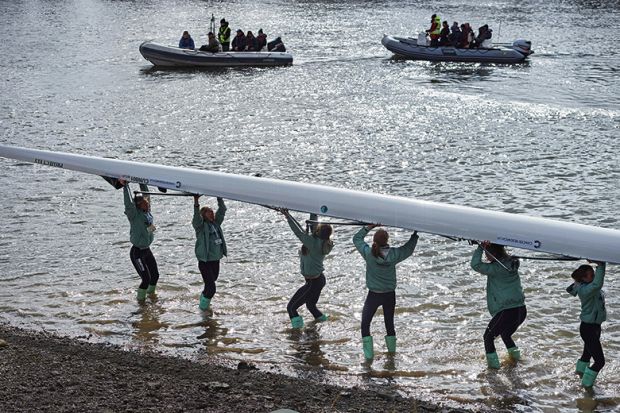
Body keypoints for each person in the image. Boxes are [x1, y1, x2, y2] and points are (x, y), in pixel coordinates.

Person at [353, 225, 418, 359]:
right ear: (387, 240)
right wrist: (414, 234)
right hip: (389, 295)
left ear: (374, 241)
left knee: (365, 324)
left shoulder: (369, 253)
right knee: (389, 323)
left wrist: (369, 227)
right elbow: (408, 249)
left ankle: (369, 357)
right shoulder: (394, 254)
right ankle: (391, 356)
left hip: (374, 295)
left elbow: (356, 239)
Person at [471, 241, 526, 369]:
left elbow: (475, 265)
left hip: (507, 311)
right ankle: (516, 360)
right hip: (521, 309)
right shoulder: (511, 263)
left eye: (486, 253)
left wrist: (480, 248)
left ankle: (493, 368)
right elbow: (506, 258)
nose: (485, 256)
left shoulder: (496, 268)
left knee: (488, 338)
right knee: (506, 334)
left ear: (493, 253)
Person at [280, 209, 333, 329]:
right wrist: (313, 210)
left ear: (318, 231)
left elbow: (297, 231)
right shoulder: (324, 243)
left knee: (291, 308)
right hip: (318, 280)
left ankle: (297, 333)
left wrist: (288, 216)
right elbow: (312, 225)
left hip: (313, 283)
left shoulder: (312, 243)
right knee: (311, 306)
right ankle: (324, 325)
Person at [566, 261, 606, 388]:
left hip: (594, 326)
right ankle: (586, 387)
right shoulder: (586, 290)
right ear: (583, 278)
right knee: (600, 361)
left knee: (586, 355)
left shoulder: (587, 285)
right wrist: (601, 265)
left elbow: (595, 284)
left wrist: (596, 263)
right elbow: (597, 284)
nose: (594, 277)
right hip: (588, 328)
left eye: (594, 274)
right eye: (591, 275)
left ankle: (579, 375)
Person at [120, 180, 159, 301]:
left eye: (147, 202)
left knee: (155, 276)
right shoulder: (133, 214)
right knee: (146, 279)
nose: (147, 204)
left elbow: (146, 194)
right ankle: (141, 303)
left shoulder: (147, 212)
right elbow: (128, 203)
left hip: (147, 250)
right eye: (143, 203)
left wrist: (142, 181)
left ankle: (151, 297)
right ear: (138, 205)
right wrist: (125, 186)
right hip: (137, 253)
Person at [192, 195, 227, 311]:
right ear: (203, 215)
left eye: (212, 212)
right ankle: (203, 310)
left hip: (215, 260)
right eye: (209, 213)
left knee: (210, 284)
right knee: (212, 288)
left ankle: (203, 302)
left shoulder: (216, 223)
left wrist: (219, 197)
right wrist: (196, 201)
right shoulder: (200, 227)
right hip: (205, 262)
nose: (212, 214)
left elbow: (222, 210)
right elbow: (196, 217)